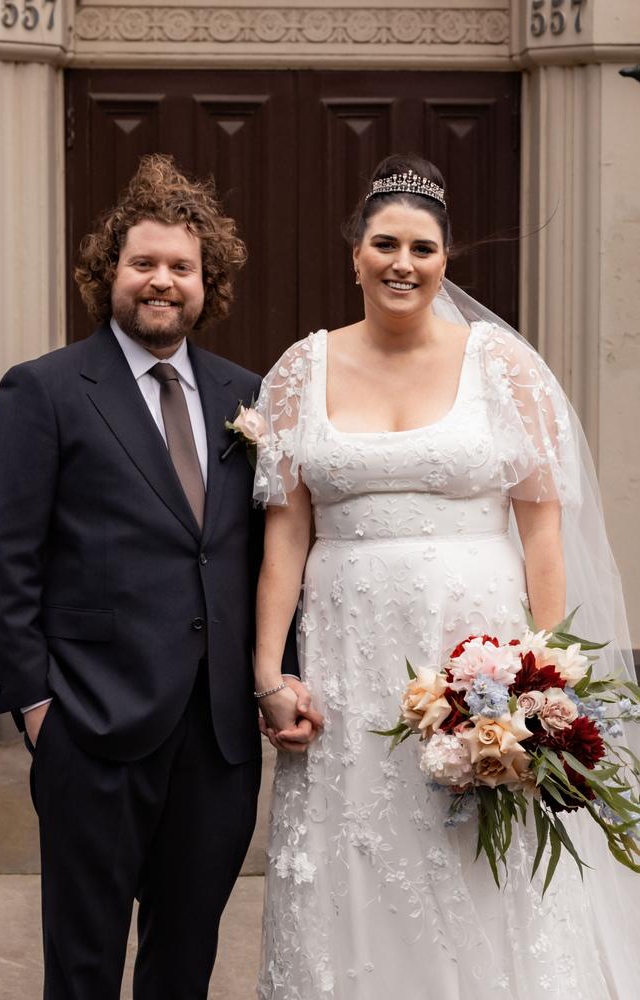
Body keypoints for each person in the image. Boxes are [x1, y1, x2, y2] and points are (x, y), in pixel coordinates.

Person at [251, 153, 640, 998]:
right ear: (354, 251)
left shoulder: (504, 368)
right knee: (357, 847)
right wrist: (268, 671)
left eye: (423, 248)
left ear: (445, 259)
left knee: (474, 856)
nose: (403, 263)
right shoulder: (298, 373)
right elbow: (285, 533)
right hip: (349, 663)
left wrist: (543, 680)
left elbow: (543, 528)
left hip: (478, 659)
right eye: (385, 244)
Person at [0, 154, 317, 999]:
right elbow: (7, 557)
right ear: (110, 274)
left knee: (185, 960)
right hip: (90, 727)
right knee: (84, 962)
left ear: (209, 283)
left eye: (182, 267)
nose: (162, 281)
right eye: (144, 264)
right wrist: (35, 710)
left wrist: (281, 676)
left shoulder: (249, 398)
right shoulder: (46, 390)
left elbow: (268, 553)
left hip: (216, 739)